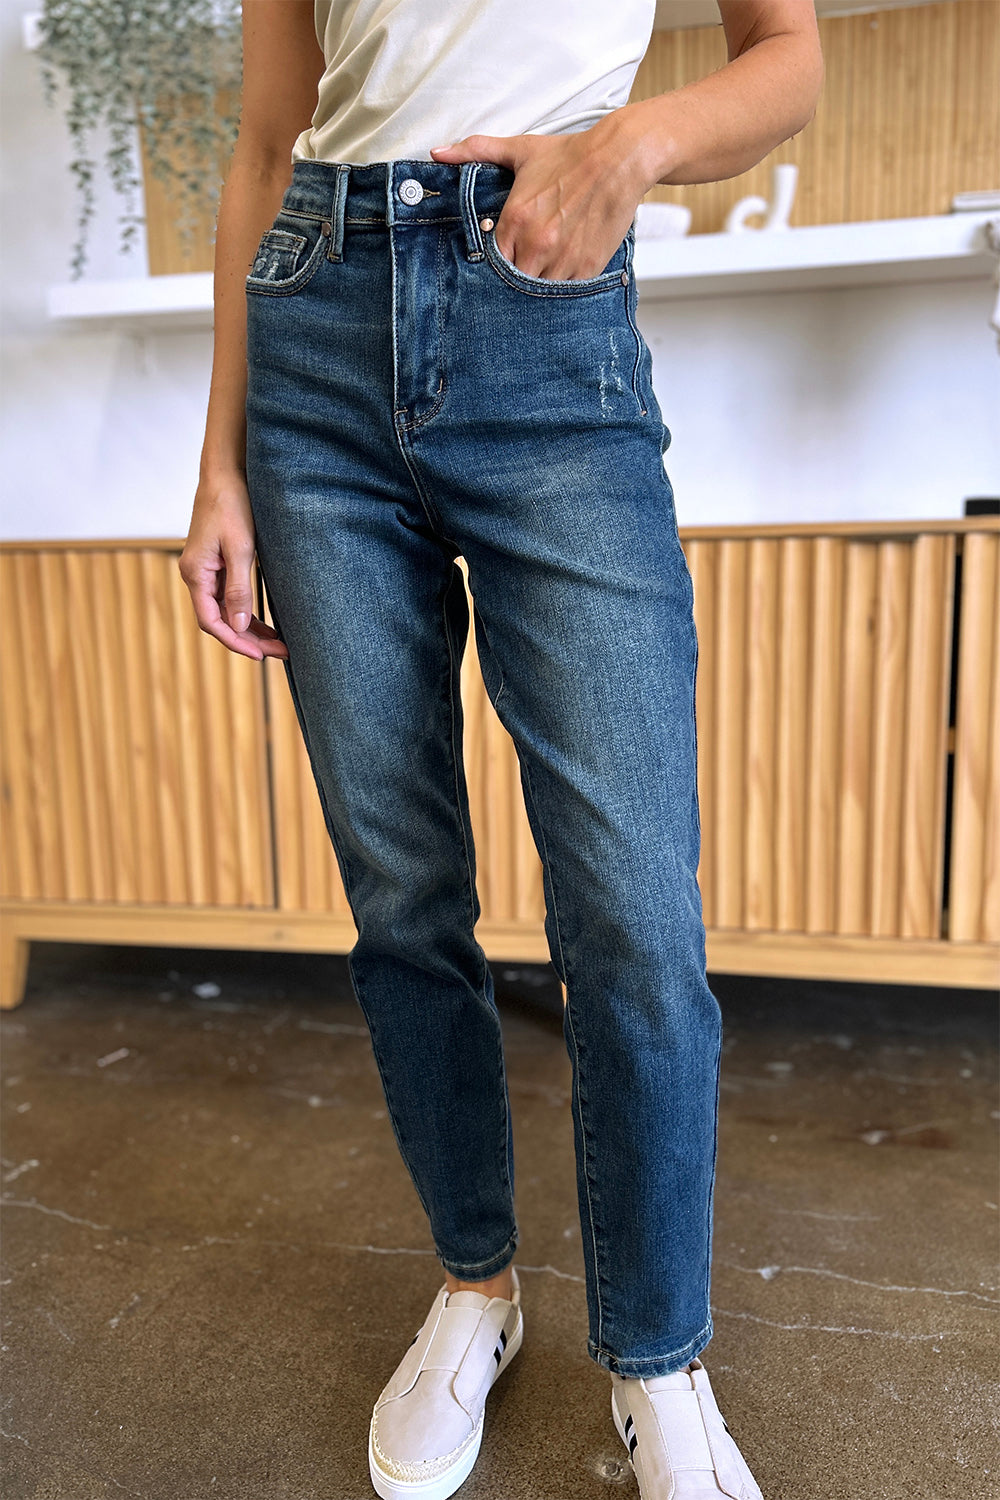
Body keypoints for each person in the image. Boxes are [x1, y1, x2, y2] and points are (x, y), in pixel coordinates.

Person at [180, 2, 824, 1495]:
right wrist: (219, 463)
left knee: (635, 909)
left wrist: (635, 145)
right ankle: (476, 1286)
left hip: (547, 315)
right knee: (401, 882)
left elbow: (786, 54)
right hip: (314, 339)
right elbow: (270, 138)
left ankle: (659, 1356)